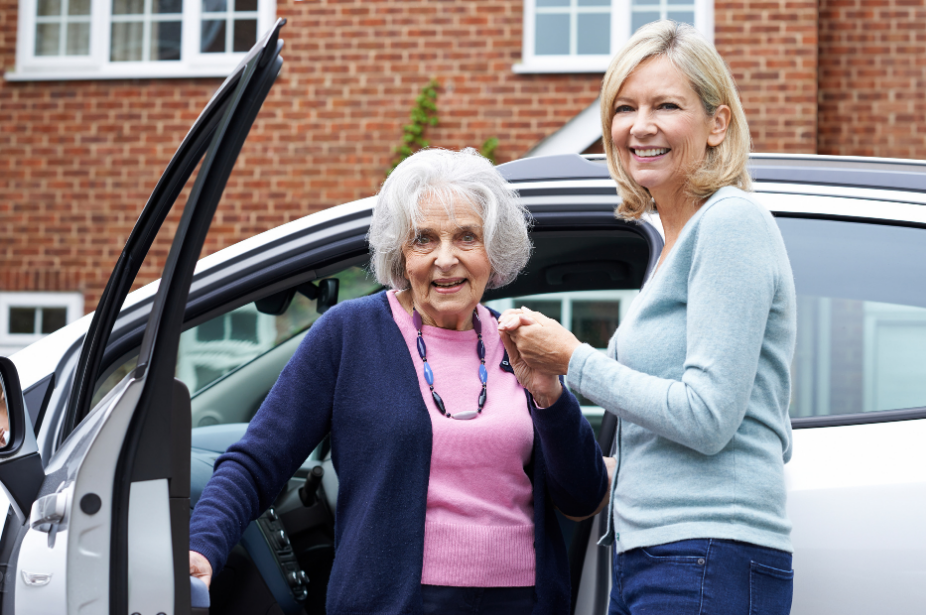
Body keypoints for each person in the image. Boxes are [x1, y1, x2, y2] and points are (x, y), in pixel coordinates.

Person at [189, 147, 609, 615]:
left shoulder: (522, 342)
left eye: (467, 237)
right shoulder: (350, 333)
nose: (445, 260)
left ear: (494, 249)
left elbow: (582, 496)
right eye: (424, 239)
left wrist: (550, 396)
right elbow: (258, 459)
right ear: (400, 253)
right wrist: (204, 545)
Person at [497, 20, 797, 615]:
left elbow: (707, 417)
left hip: (705, 554)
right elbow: (659, 425)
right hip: (655, 555)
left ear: (718, 123)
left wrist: (575, 360)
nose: (641, 126)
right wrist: (549, 386)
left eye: (666, 105)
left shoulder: (731, 224)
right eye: (625, 107)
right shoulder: (674, 243)